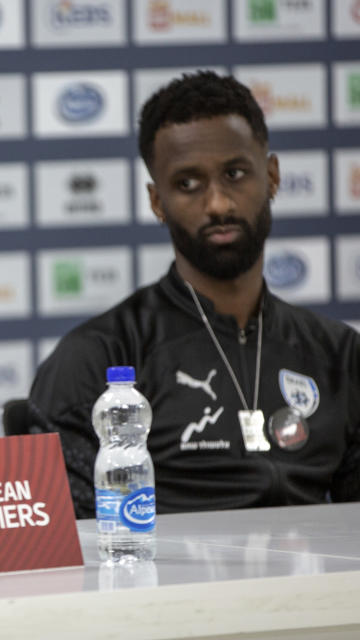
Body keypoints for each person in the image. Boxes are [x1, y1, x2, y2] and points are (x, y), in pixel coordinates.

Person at [27, 71, 360, 518]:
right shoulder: (99, 358)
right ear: (157, 202)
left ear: (273, 176)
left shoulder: (338, 354)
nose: (218, 204)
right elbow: (67, 542)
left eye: (235, 173)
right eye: (188, 183)